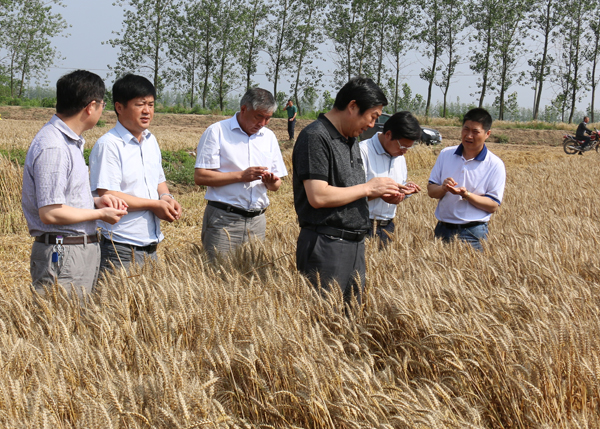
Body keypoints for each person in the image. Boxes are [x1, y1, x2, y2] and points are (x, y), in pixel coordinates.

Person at [292, 76, 401, 305]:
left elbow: (348, 192)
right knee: (325, 318)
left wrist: (377, 192)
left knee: (351, 317)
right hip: (327, 245)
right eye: (372, 116)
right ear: (352, 106)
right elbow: (318, 196)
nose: (372, 125)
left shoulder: (351, 140)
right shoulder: (315, 137)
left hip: (355, 244)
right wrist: (368, 187)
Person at [21, 70, 128, 297]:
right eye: (102, 105)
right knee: (61, 317)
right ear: (91, 107)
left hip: (74, 250)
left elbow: (63, 199)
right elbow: (50, 212)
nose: (102, 110)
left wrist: (96, 201)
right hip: (63, 251)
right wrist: (100, 214)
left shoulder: (69, 142)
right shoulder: (54, 146)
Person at [89, 74, 182, 272]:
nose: (147, 111)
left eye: (151, 104)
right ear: (119, 107)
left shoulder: (150, 141)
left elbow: (159, 180)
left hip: (151, 245)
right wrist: (154, 205)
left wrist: (166, 197)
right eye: (140, 104)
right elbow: (109, 195)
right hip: (120, 246)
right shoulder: (109, 145)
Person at [194, 87, 287, 260]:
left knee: (252, 274)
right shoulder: (217, 131)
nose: (263, 123)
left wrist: (271, 181)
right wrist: (240, 176)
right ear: (244, 109)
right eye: (259, 116)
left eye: (268, 118)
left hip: (257, 222)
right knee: (218, 273)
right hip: (223, 220)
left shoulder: (269, 137)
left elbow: (276, 185)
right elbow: (200, 176)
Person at [427, 107, 506, 251]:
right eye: (466, 129)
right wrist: (443, 188)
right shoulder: (446, 154)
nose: (469, 136)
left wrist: (466, 195)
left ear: (487, 134)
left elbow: (493, 205)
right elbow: (431, 191)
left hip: (473, 233)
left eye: (475, 132)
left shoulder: (495, 164)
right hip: (442, 229)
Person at [359, 111, 422, 248]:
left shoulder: (400, 157)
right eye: (403, 146)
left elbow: (399, 185)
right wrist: (380, 193)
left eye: (409, 147)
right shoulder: (362, 151)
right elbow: (350, 193)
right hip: (362, 225)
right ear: (388, 134)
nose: (405, 151)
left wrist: (405, 190)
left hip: (387, 227)